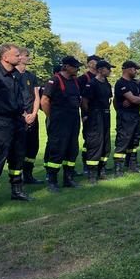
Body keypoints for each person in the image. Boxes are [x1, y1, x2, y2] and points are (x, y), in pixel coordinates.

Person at [0, 43, 34, 202]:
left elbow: (18, 99)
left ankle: (17, 191)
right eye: (17, 55)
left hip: (17, 122)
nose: (20, 57)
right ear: (5, 57)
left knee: (18, 156)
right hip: (0, 122)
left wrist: (25, 115)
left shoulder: (16, 75)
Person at [41, 56, 83, 191]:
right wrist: (51, 117)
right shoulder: (54, 81)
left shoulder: (75, 81)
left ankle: (68, 179)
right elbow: (45, 101)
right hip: (59, 121)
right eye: (75, 66)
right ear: (66, 66)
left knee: (72, 150)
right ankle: (52, 180)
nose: (77, 69)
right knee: (57, 150)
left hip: (73, 120)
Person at [81, 60, 114, 184]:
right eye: (108, 68)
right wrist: (89, 114)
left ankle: (102, 170)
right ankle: (92, 174)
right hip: (95, 116)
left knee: (106, 144)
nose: (110, 71)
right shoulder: (92, 84)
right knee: (95, 143)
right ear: (100, 70)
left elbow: (109, 98)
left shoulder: (106, 83)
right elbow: (84, 101)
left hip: (105, 115)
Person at [17, 47, 42, 185]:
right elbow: (12, 99)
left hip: (33, 117)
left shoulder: (31, 76)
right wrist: (24, 115)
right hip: (19, 118)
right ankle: (17, 176)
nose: (29, 57)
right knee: (19, 147)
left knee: (33, 147)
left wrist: (34, 113)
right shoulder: (12, 75)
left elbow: (36, 97)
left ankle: (28, 175)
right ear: (19, 57)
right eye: (27, 55)